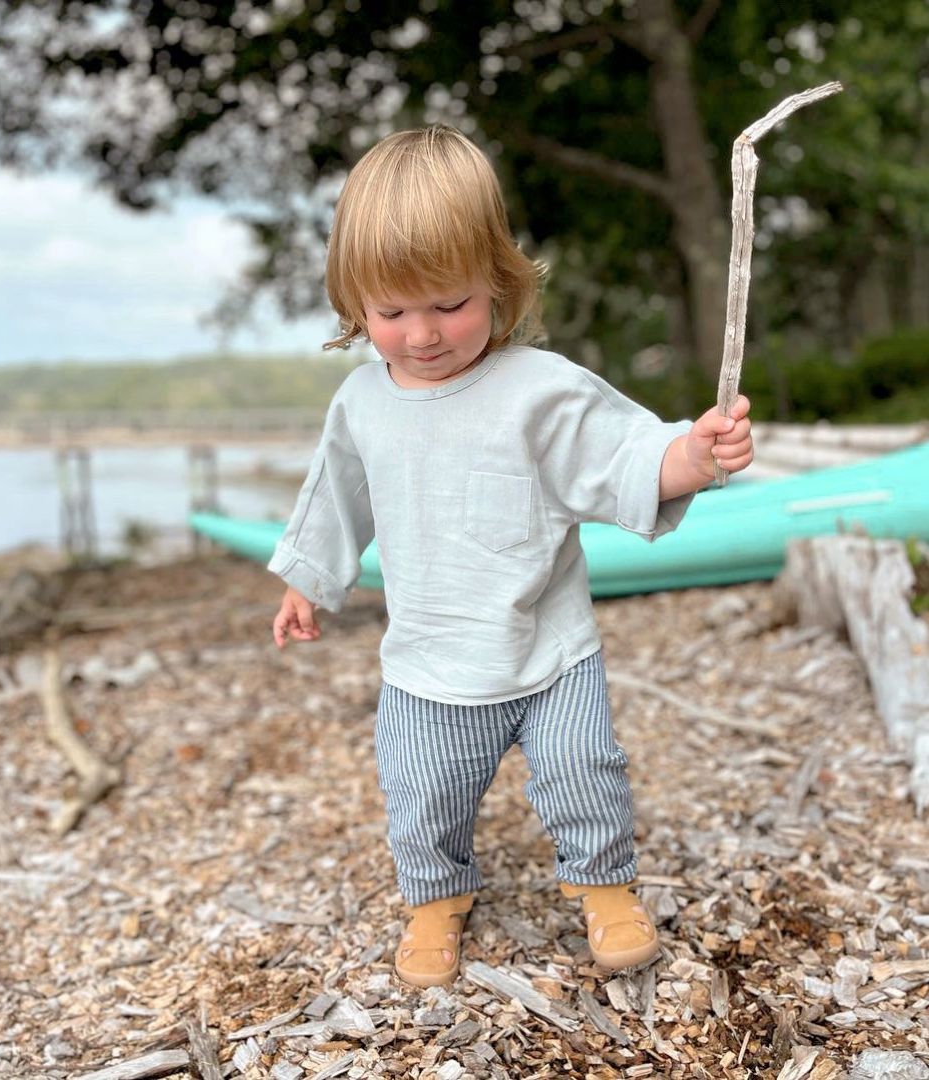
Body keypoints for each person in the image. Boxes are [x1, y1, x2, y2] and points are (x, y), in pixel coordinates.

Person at [268, 125, 753, 988]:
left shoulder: (539, 389)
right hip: (430, 660)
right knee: (423, 793)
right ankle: (435, 898)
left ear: (498, 279)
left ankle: (605, 886)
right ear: (354, 304)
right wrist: (306, 581)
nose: (422, 334)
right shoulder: (362, 404)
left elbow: (621, 456)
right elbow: (336, 496)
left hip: (550, 648)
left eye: (449, 303)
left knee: (584, 771)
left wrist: (693, 454)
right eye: (391, 313)